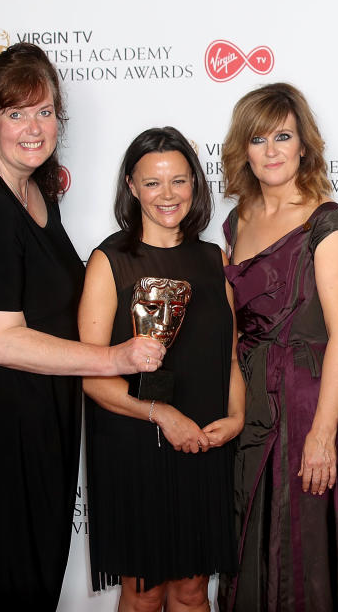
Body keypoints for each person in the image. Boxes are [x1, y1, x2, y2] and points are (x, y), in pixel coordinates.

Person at [0, 42, 163, 608]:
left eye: (45, 111)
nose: (34, 127)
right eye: (16, 113)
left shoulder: (32, 190)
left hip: (31, 438)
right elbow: (1, 341)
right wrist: (116, 359)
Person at [78, 127, 242, 611]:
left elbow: (229, 358)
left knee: (193, 591)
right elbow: (91, 375)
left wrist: (234, 418)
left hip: (203, 444)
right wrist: (161, 415)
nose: (167, 195)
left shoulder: (215, 260)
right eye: (152, 183)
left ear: (195, 184)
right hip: (134, 444)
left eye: (179, 181)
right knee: (143, 592)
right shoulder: (110, 261)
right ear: (131, 186)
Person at [216, 83, 338, 612]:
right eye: (258, 138)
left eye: (283, 136)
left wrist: (323, 435)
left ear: (304, 145)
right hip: (250, 401)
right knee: (246, 539)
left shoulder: (328, 221)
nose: (272, 150)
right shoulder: (237, 221)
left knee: (302, 549)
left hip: (308, 402)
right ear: (244, 150)